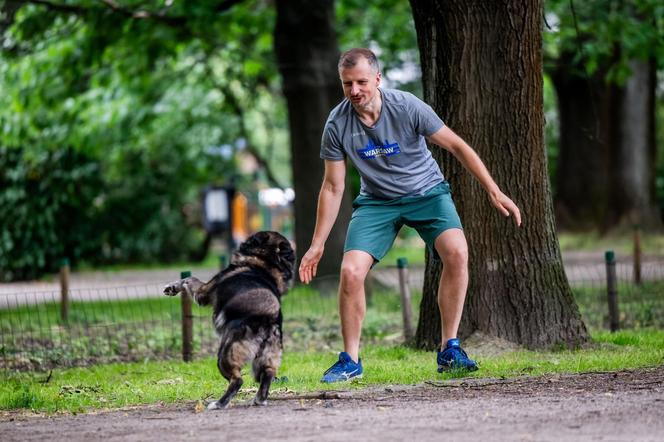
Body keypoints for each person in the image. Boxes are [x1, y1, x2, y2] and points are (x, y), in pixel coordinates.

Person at [298, 48, 521, 383]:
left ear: (377, 78)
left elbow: (457, 146)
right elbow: (333, 187)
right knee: (351, 271)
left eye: (361, 81)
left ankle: (450, 349)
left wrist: (493, 189)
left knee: (458, 253)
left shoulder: (407, 106)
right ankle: (350, 360)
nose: (355, 90)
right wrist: (317, 244)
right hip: (377, 202)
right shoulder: (337, 124)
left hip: (427, 193)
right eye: (347, 84)